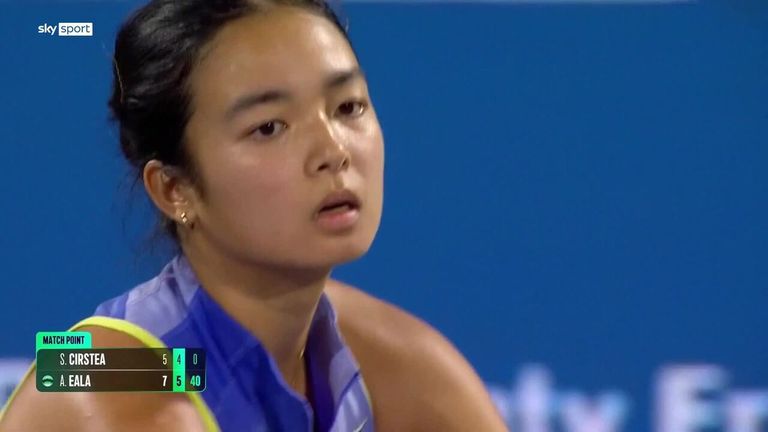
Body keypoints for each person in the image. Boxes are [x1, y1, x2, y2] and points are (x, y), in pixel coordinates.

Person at [0, 0, 507, 430]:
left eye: (348, 107)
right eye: (268, 127)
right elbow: (69, 376)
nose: (334, 151)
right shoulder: (99, 381)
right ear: (174, 189)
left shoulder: (382, 352)